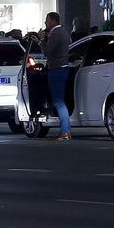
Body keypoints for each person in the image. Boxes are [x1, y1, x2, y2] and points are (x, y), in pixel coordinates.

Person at [41, 12, 72, 140]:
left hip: (57, 69)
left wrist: (42, 39)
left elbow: (48, 52)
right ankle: (66, 131)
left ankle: (65, 131)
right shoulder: (65, 32)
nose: (45, 23)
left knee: (58, 101)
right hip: (64, 68)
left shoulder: (55, 33)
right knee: (60, 100)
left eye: (47, 20)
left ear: (53, 21)